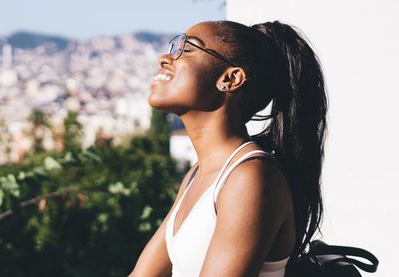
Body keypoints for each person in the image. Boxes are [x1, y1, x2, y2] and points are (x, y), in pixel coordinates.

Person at [129, 20, 328, 277]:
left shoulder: (249, 178)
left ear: (230, 79)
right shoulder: (197, 175)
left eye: (186, 49)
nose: (165, 58)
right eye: (174, 46)